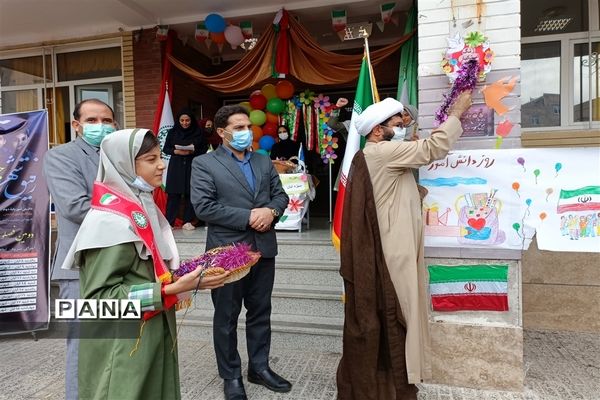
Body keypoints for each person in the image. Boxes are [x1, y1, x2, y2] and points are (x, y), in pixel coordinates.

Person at [61, 129, 229, 400]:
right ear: (125, 165)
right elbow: (99, 299)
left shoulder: (140, 203)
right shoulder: (109, 222)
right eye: (151, 159)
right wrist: (164, 291)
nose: (162, 164)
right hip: (123, 341)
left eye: (160, 156)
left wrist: (183, 279)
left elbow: (148, 270)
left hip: (147, 331)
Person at [336, 92, 472, 399]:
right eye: (397, 124)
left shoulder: (381, 153)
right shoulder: (382, 152)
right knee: (401, 317)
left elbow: (398, 192)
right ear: (376, 130)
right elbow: (434, 147)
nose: (403, 128)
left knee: (400, 318)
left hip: (398, 247)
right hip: (394, 253)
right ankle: (398, 380)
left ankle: (396, 379)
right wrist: (457, 112)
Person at [190, 105, 290, 400]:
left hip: (263, 248)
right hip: (227, 252)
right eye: (239, 127)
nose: (247, 132)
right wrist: (249, 216)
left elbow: (280, 195)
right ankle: (231, 375)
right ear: (222, 133)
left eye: (248, 126)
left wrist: (271, 211)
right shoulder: (204, 164)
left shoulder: (262, 161)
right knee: (227, 315)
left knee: (260, 312)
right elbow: (204, 207)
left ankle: (259, 367)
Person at [43, 98, 117, 400]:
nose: (101, 126)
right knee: (84, 344)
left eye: (107, 120)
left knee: (115, 341)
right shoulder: (60, 156)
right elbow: (75, 207)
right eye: (92, 120)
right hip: (80, 269)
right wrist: (130, 215)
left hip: (118, 265)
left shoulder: (118, 156)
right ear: (76, 125)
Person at [163, 109, 207, 230]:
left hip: (192, 164)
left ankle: (187, 221)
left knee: (190, 194)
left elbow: (204, 148)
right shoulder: (173, 132)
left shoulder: (198, 132)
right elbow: (166, 148)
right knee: (173, 195)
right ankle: (169, 222)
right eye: (182, 120)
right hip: (176, 166)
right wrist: (176, 151)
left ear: (191, 120)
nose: (184, 123)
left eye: (187, 120)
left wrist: (192, 151)